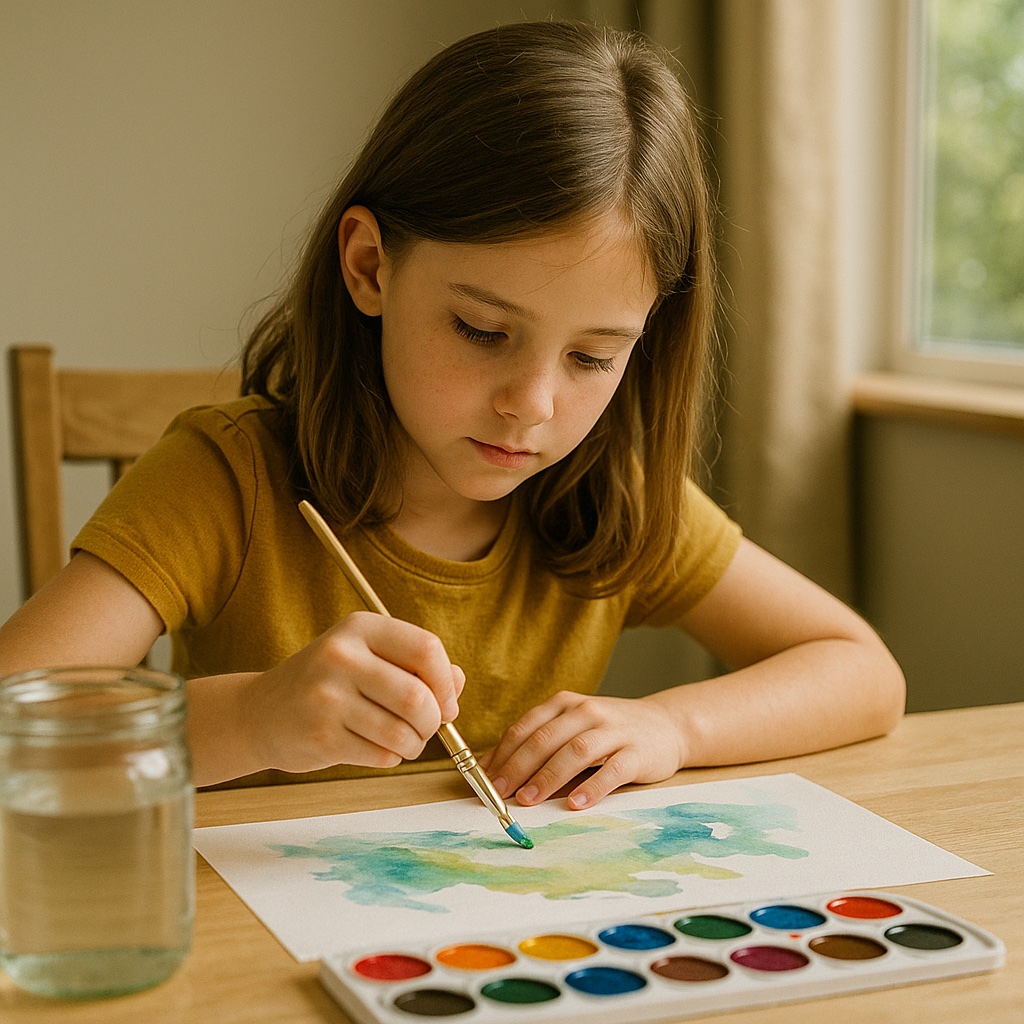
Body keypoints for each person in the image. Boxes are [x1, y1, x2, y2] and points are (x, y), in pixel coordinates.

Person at [0, 22, 904, 808]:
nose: (533, 405)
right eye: (481, 329)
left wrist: (673, 725)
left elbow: (863, 672)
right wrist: (255, 718)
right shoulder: (226, 478)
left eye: (593, 356)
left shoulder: (610, 499)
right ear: (369, 266)